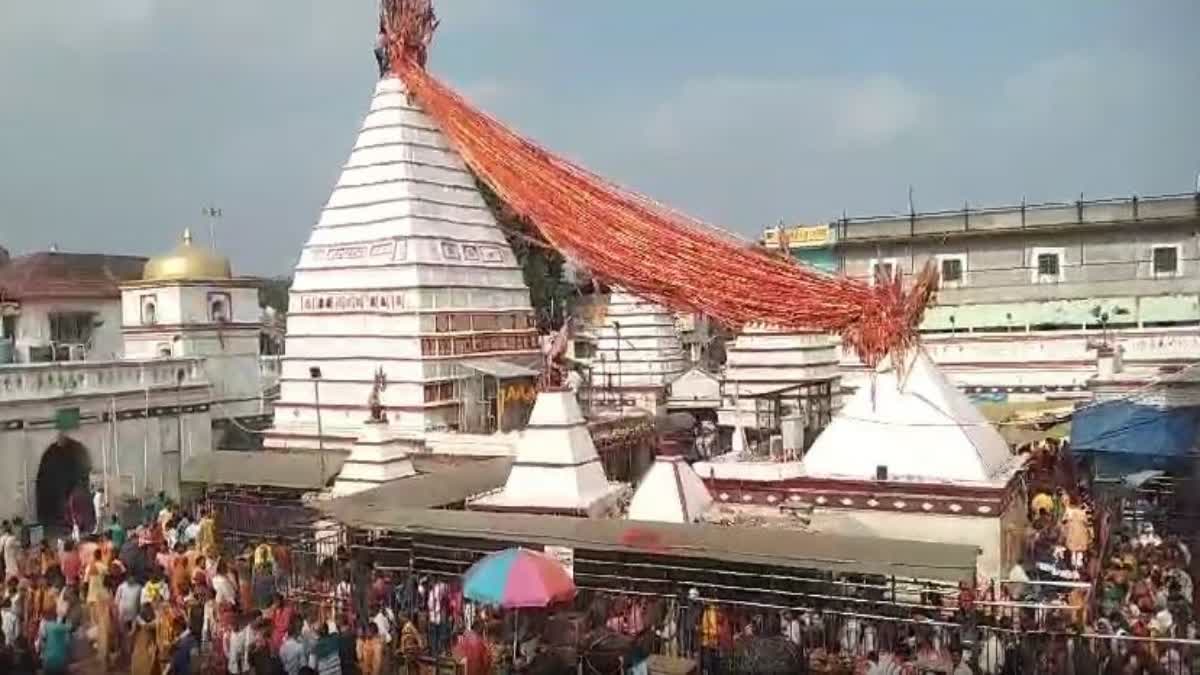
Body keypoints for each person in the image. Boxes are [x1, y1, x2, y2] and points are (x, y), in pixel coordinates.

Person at [130, 603, 160, 675]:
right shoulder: (153, 622)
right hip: (146, 647)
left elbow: (132, 632)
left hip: (143, 648)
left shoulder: (138, 620)